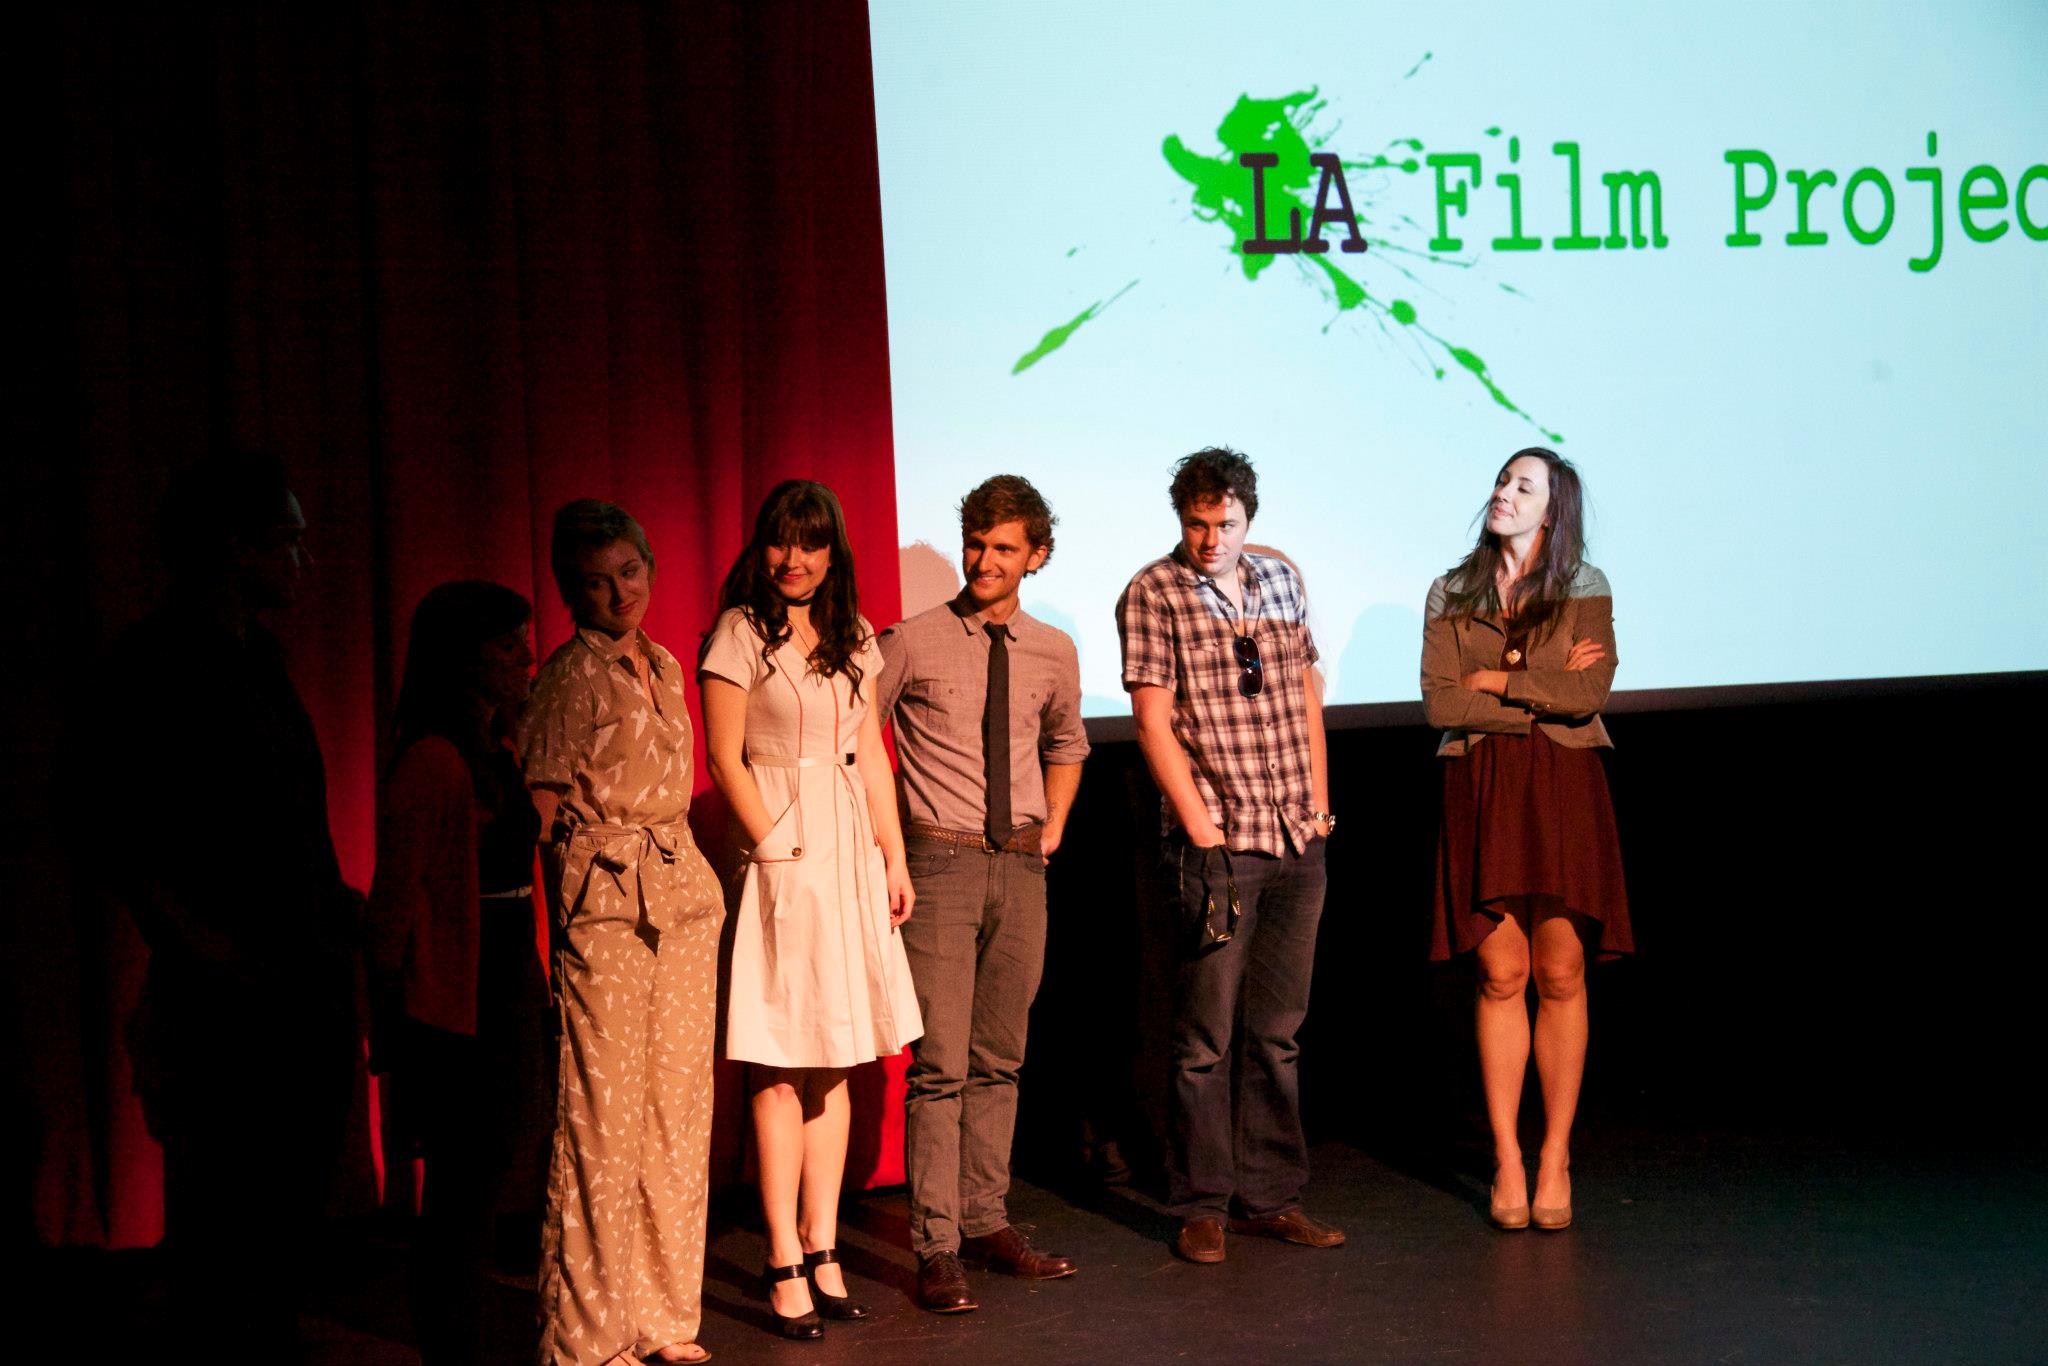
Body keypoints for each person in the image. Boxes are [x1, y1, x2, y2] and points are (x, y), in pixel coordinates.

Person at [110, 453, 359, 1366]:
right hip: (226, 1002)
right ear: (231, 547)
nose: (303, 562)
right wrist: (204, 949)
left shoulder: (262, 658)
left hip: (297, 986)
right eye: (287, 542)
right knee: (222, 1235)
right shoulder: (157, 664)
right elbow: (115, 831)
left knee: (287, 1226)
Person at [699, 479, 921, 1339]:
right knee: (779, 1061)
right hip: (785, 856)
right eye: (781, 543)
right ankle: (781, 1257)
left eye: (811, 544)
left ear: (833, 552)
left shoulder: (855, 635)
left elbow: (870, 756)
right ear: (762, 548)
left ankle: (825, 1247)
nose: (794, 560)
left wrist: (892, 857)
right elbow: (725, 756)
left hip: (850, 858)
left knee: (839, 1059)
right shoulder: (739, 634)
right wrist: (776, 847)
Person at [1115, 446, 1343, 1265]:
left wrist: (1317, 806)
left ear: (1250, 518)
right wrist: (1201, 832)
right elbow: (1151, 721)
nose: (1210, 538)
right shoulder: (1154, 592)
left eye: (1225, 523)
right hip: (1218, 840)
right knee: (1204, 1037)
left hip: (1293, 836)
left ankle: (1272, 1195)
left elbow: (1304, 695)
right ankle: (1203, 1202)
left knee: (1277, 1033)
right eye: (1197, 523)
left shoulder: (1282, 582)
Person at [877, 475, 1090, 1313]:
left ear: (1036, 555)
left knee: (1000, 1057)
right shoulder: (913, 640)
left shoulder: (1052, 648)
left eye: (1005, 547)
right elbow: (860, 738)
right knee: (939, 1066)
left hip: (1020, 865)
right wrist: (891, 844)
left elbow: (1068, 743)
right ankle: (935, 1245)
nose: (985, 559)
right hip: (941, 864)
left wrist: (1056, 827)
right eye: (976, 542)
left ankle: (985, 1219)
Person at [521, 500, 724, 1366]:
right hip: (604, 906)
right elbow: (538, 807)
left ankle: (661, 1316)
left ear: (650, 565)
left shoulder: (667, 663)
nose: (619, 594)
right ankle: (590, 1337)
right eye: (597, 582)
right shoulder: (569, 676)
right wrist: (566, 911)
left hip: (680, 898)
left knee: (676, 1113)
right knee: (602, 1122)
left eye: (630, 572)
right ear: (573, 590)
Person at [1423, 446, 1633, 1232]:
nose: (1504, 493)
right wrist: (1528, 698)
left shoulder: (1584, 586)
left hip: (1565, 784)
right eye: (1503, 481)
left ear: (1554, 508)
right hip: (1480, 782)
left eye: (1524, 485)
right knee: (1501, 972)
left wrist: (1499, 681)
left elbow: (1589, 694)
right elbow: (1441, 703)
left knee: (1562, 970)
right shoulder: (1452, 590)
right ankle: (1509, 1157)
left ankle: (1555, 1157)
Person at [367, 581, 548, 1366]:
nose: (525, 658)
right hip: (455, 1005)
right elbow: (395, 906)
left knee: (485, 1185)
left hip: (504, 980)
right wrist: (396, 1027)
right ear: (465, 658)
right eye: (507, 647)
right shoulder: (435, 760)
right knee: (458, 1202)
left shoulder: (491, 748)